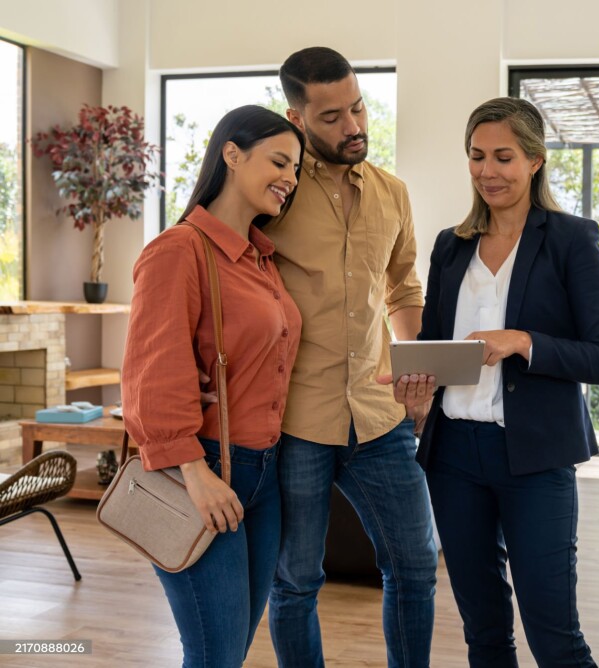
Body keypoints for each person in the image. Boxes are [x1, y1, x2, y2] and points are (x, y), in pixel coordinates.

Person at [389, 97, 599, 667]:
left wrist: (522, 340)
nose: (487, 171)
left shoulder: (571, 240)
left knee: (554, 636)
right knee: (484, 631)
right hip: (454, 460)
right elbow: (439, 345)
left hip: (536, 460)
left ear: (535, 161)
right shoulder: (451, 245)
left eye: (503, 157)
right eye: (476, 157)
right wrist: (417, 387)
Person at [264, 47, 438, 668]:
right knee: (295, 582)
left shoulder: (393, 192)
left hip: (379, 413)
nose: (354, 126)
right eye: (333, 117)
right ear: (298, 116)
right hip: (296, 422)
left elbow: (402, 286)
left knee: (416, 567)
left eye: (359, 108)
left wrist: (418, 367)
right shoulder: (274, 189)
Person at [121, 104, 305, 668]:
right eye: (279, 161)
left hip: (262, 473)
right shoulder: (179, 251)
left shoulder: (260, 260)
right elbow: (153, 374)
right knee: (215, 654)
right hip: (203, 472)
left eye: (296, 170)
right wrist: (193, 473)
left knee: (230, 650)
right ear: (231, 152)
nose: (290, 180)